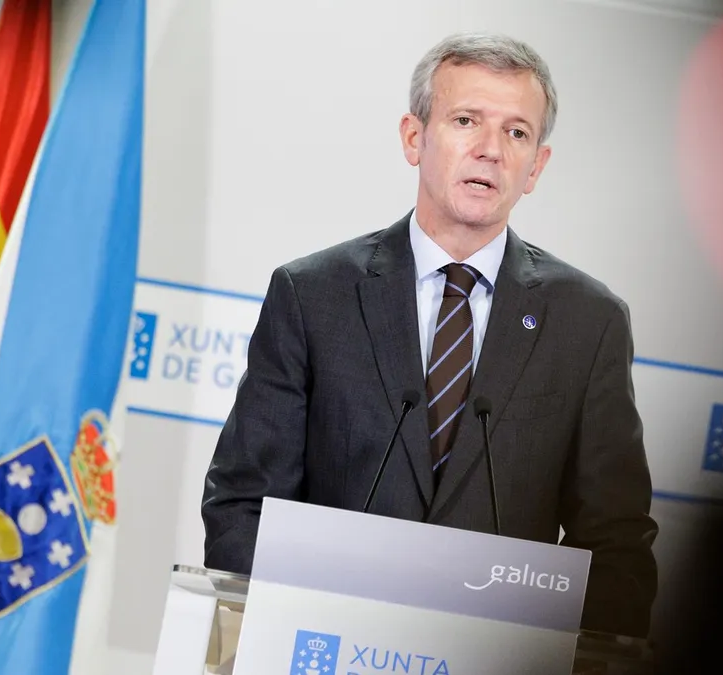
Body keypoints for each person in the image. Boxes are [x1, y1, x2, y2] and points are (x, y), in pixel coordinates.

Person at [200, 32, 658, 638]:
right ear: (414, 138)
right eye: (466, 120)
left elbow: (616, 546)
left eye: (517, 132)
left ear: (536, 166)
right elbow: (243, 505)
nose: (490, 150)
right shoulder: (313, 296)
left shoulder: (589, 323)